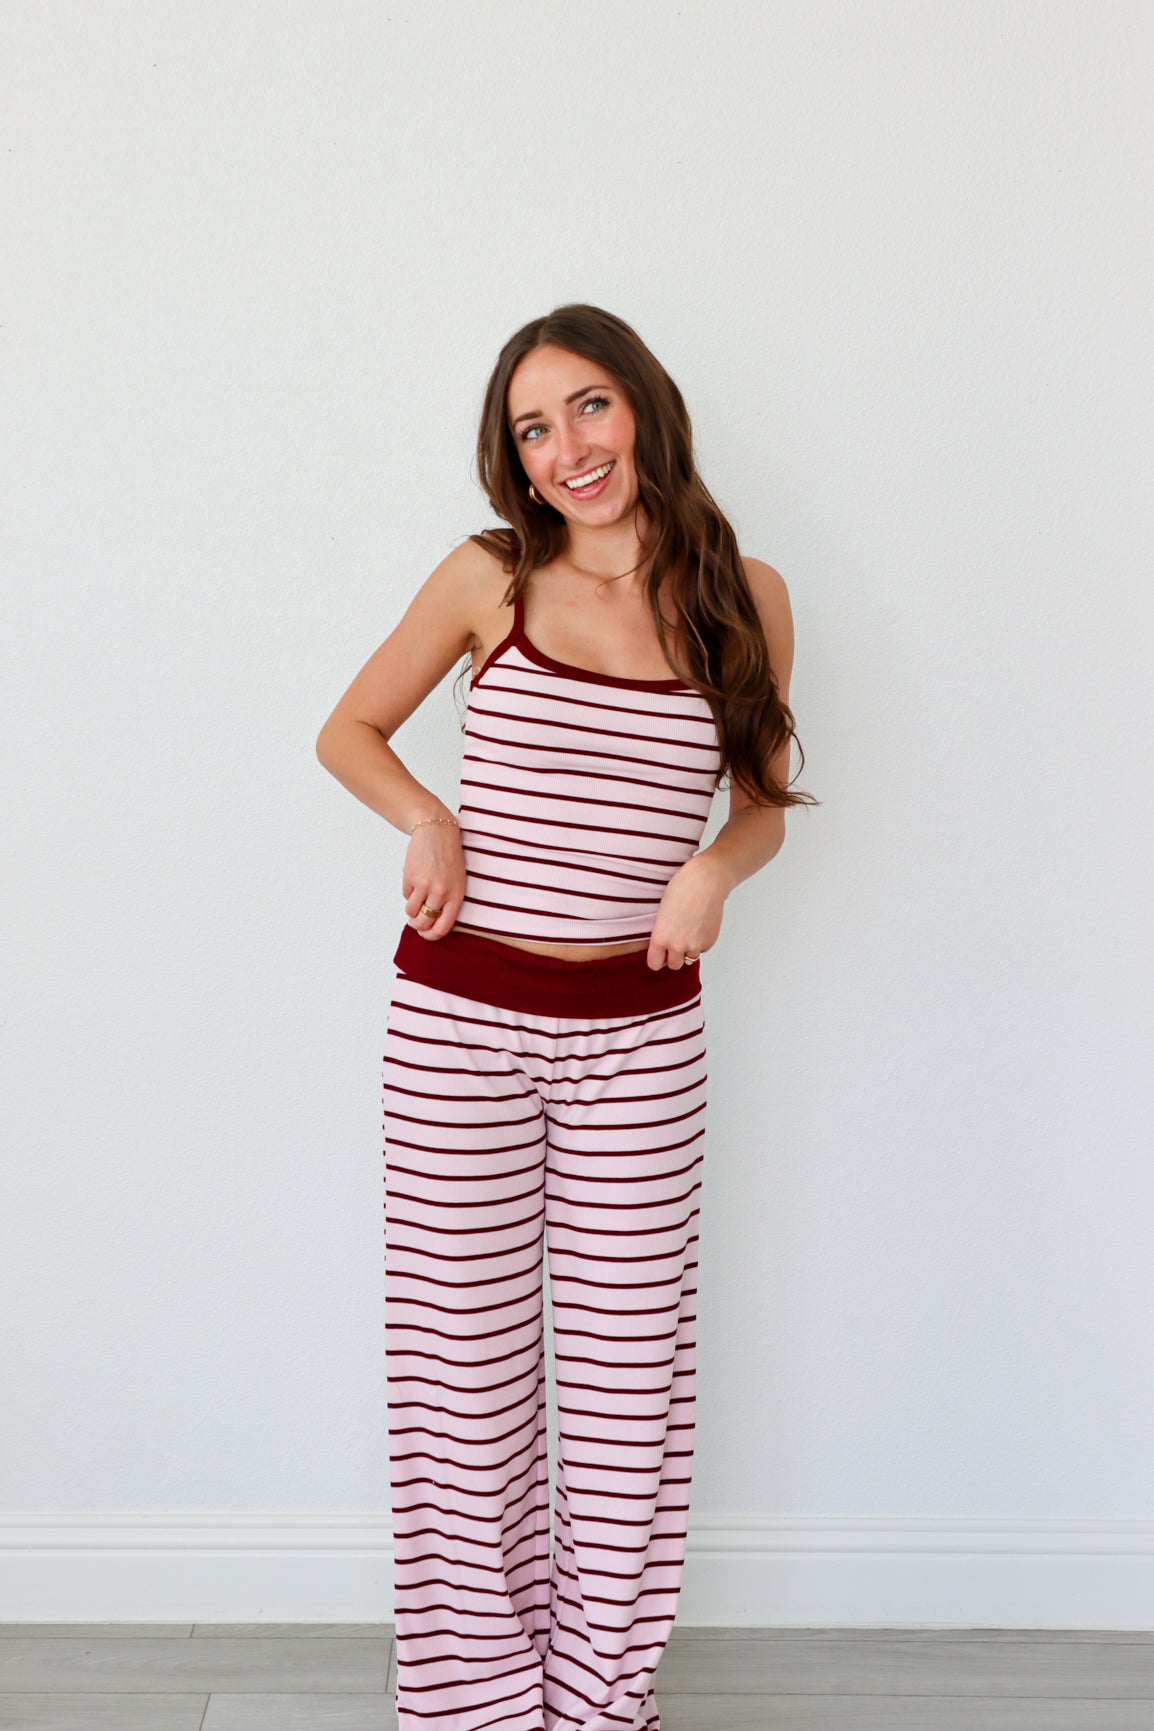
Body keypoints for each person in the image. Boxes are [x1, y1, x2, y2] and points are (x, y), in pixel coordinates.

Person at [316, 303, 813, 1731]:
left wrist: (716, 867)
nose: (566, 449)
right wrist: (428, 818)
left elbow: (761, 809)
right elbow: (347, 728)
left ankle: (600, 1702)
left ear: (644, 407)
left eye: (586, 408)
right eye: (533, 430)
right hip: (462, 1020)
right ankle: (472, 1706)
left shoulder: (748, 594)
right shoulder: (490, 579)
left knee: (622, 1388)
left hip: (642, 1036)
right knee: (460, 1375)